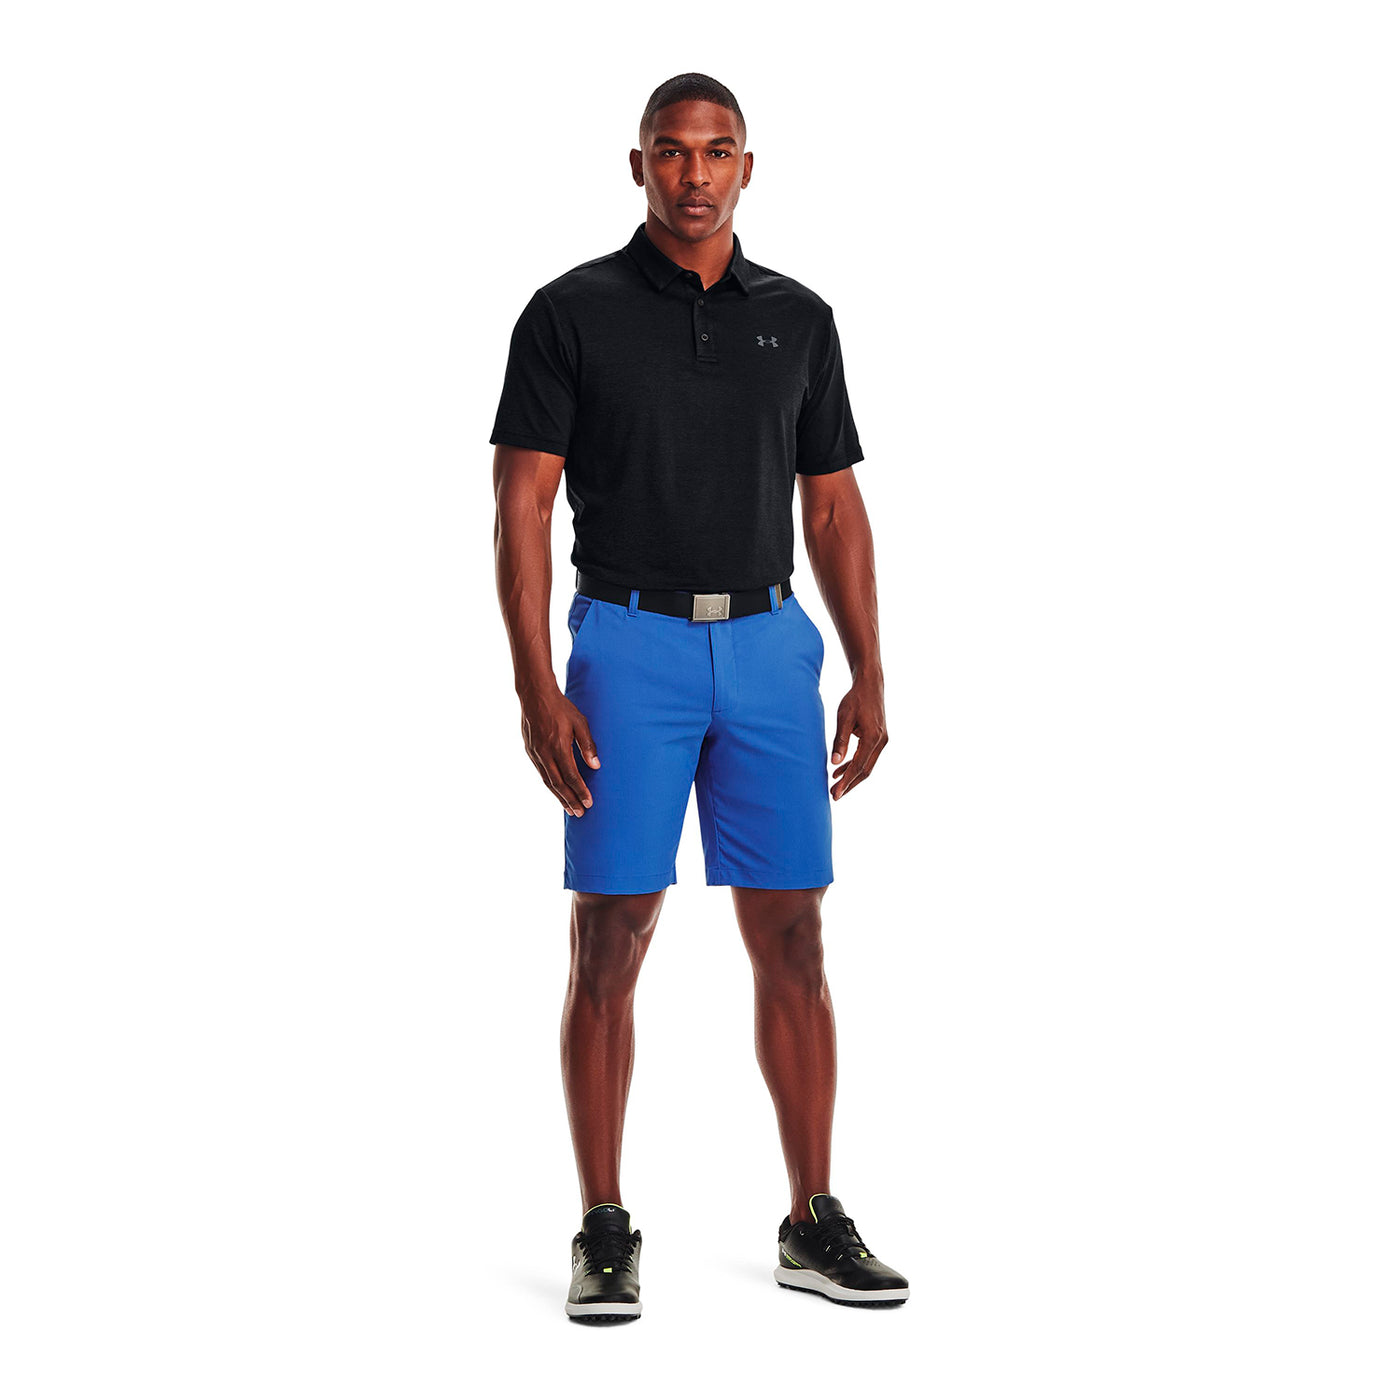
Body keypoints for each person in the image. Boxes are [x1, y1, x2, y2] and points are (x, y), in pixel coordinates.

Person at [489, 72, 907, 1321]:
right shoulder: (568, 312)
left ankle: (811, 1217)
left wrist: (868, 664)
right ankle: (603, 1225)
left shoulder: (800, 319)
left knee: (795, 936)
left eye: (716, 151)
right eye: (671, 152)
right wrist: (534, 681)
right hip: (628, 647)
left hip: (771, 647)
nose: (693, 174)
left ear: (746, 167)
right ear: (638, 166)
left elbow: (830, 504)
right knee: (610, 934)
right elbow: (521, 502)